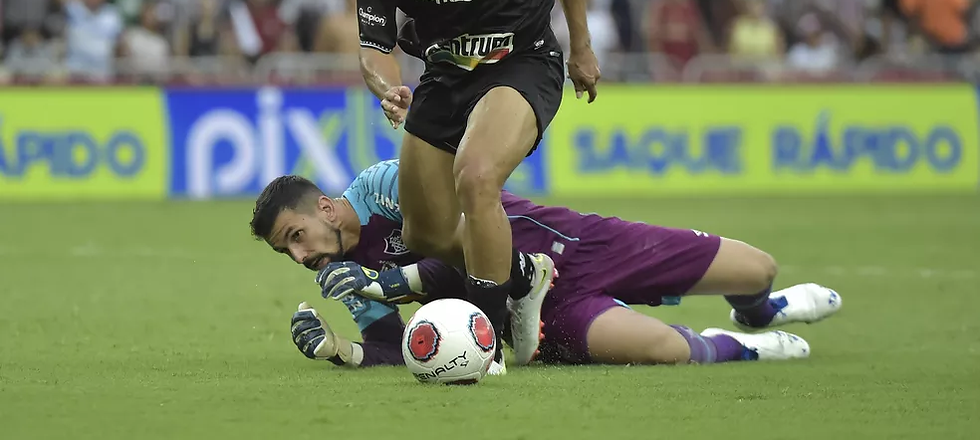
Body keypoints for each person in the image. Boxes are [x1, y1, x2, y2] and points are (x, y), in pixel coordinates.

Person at [350, 0, 601, 371]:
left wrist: (581, 46)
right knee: (428, 232)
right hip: (445, 74)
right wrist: (385, 86)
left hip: (525, 60)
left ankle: (484, 337)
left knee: (478, 172)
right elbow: (374, 45)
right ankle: (524, 277)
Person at [250, 162, 841, 370]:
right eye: (288, 252)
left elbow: (470, 248)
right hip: (530, 312)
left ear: (325, 207)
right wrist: (337, 351)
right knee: (668, 350)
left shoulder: (386, 187)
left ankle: (764, 311)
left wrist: (385, 280)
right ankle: (746, 347)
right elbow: (386, 346)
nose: (302, 257)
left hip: (573, 244)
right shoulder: (345, 276)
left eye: (298, 236)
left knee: (758, 268)